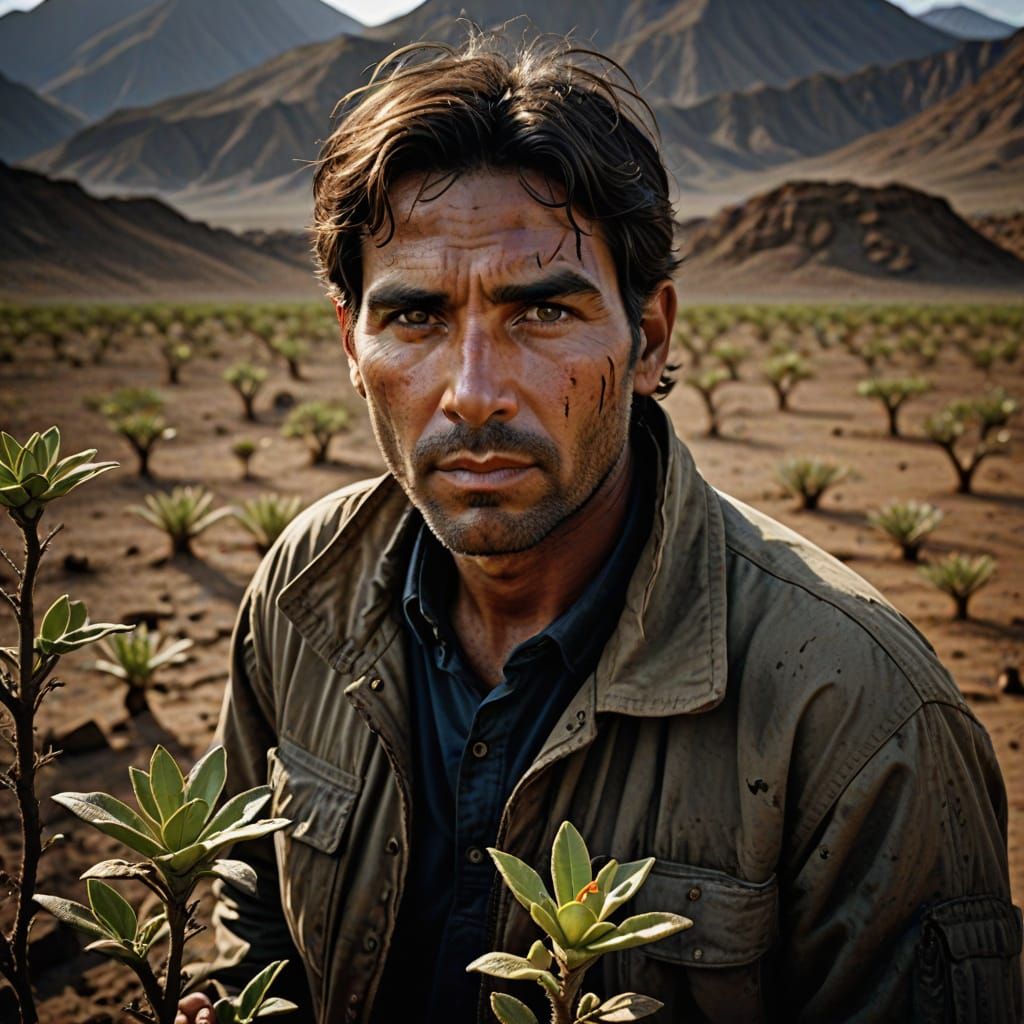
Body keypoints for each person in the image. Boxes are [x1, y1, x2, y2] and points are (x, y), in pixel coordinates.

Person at [176, 33, 1021, 1024]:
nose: (475, 393)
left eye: (541, 310)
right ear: (348, 343)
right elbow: (250, 881)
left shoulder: (858, 712)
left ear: (650, 337)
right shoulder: (304, 590)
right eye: (414, 317)